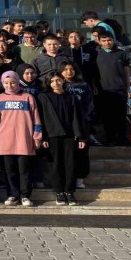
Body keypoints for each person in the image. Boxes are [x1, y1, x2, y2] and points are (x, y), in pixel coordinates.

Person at [0, 71, 43, 207]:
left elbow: (36, 118)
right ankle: (12, 195)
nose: (10, 85)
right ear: (2, 83)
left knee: (24, 170)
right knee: (9, 170)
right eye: (6, 83)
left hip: (24, 138)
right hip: (5, 140)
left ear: (17, 82)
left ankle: (25, 195)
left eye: (13, 82)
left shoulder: (28, 97)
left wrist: (37, 136)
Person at [38, 72, 86, 206]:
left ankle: (69, 191)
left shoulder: (71, 97)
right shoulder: (43, 97)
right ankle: (59, 192)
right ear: (49, 83)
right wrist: (43, 137)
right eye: (52, 81)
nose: (56, 83)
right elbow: (41, 118)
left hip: (69, 136)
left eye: (58, 80)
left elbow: (77, 118)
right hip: (52, 136)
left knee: (70, 164)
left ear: (63, 81)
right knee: (55, 164)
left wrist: (81, 137)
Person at [59, 61, 95, 188]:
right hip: (64, 123)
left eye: (71, 69)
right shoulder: (58, 84)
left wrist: (86, 118)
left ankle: (80, 178)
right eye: (65, 69)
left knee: (82, 151)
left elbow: (89, 103)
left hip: (82, 122)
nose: (69, 72)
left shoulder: (83, 85)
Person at [94, 31, 131, 146]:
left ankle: (122, 138)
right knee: (106, 116)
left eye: (109, 40)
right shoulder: (95, 54)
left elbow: (127, 73)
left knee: (121, 115)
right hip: (103, 90)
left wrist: (128, 89)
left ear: (113, 40)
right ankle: (109, 138)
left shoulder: (121, 54)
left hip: (119, 89)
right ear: (99, 41)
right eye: (104, 41)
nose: (107, 43)